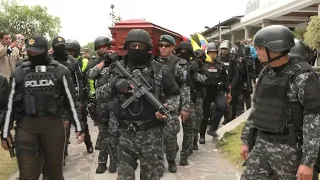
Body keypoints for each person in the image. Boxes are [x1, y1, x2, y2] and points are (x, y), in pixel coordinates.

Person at [240, 25, 320, 180]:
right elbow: (256, 109)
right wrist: (246, 140)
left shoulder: (303, 77)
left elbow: (314, 122)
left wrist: (308, 162)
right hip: (261, 146)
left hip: (289, 151)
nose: (257, 53)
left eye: (260, 49)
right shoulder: (266, 72)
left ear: (275, 50)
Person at [0, 35, 85, 180]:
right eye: (30, 52)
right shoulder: (19, 72)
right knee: (27, 175)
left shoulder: (60, 71)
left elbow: (71, 101)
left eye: (37, 52)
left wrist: (79, 126)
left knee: (54, 174)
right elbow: (10, 105)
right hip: (26, 127)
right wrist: (5, 132)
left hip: (53, 127)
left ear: (45, 51)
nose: (33, 55)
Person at [96, 29, 168, 180]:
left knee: (152, 176)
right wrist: (116, 84)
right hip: (125, 133)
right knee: (124, 177)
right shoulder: (116, 68)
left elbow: (175, 94)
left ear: (147, 48)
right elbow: (99, 95)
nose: (136, 49)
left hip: (152, 134)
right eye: (133, 46)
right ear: (127, 47)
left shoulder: (159, 69)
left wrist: (168, 111)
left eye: (140, 46)